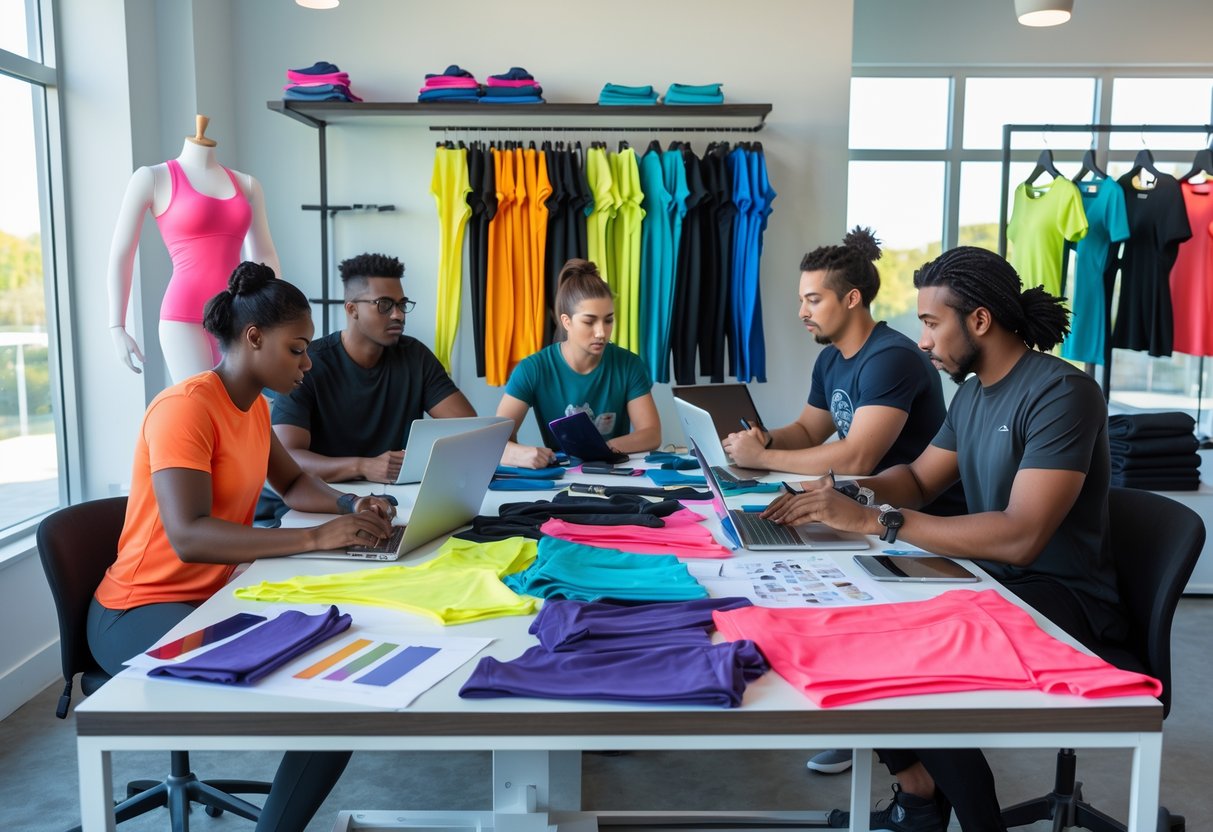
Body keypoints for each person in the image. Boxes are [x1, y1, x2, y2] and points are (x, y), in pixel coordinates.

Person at [762, 246, 1129, 832]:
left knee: (903, 652)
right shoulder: (975, 392)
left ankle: (969, 819)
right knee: (856, 623)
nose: (924, 341)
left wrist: (879, 521)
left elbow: (1021, 537)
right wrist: (842, 494)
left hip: (1064, 600)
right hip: (989, 578)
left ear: (978, 321)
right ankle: (921, 798)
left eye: (932, 324)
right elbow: (916, 480)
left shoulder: (1062, 392)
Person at [88, 262, 395, 832]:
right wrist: (313, 536)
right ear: (254, 339)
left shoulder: (253, 405)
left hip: (212, 599)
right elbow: (189, 535)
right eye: (297, 349)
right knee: (317, 700)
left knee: (342, 690)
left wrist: (350, 506)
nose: (308, 363)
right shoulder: (184, 408)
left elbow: (296, 483)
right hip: (137, 608)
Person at [725, 228, 964, 776]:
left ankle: (888, 744)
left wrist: (763, 462)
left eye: (814, 300)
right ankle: (857, 717)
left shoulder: (892, 357)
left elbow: (855, 455)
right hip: (853, 513)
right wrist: (760, 441)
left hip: (915, 526)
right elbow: (809, 430)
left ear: (851, 298)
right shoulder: (833, 358)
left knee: (816, 602)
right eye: (801, 300)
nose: (802, 311)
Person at [257, 252, 475, 524]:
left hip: (390, 504)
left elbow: (471, 432)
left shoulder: (415, 356)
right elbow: (289, 459)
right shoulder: (308, 363)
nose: (397, 315)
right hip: (315, 504)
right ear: (352, 309)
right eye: (384, 304)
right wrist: (363, 466)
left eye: (401, 304)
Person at [107, 115, 281, 382]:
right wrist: (117, 326)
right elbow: (122, 253)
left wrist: (273, 313)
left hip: (240, 313)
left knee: (239, 410)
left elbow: (264, 255)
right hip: (185, 315)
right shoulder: (153, 178)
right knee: (202, 404)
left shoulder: (248, 185)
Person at [497, 258, 661, 468]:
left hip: (616, 474)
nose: (601, 332)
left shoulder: (629, 364)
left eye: (608, 320)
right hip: (561, 478)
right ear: (567, 322)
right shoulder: (532, 369)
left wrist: (603, 448)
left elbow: (651, 434)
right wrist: (519, 455)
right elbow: (495, 441)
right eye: (589, 321)